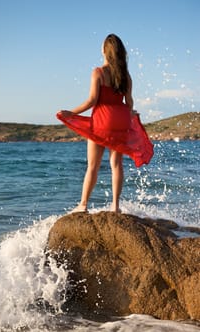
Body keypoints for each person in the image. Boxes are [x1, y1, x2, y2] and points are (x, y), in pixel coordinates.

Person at [57, 34, 154, 213]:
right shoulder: (126, 76)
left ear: (104, 51)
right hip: (121, 120)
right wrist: (129, 113)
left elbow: (92, 101)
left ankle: (83, 205)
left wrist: (72, 112)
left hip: (103, 119)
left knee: (93, 166)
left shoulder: (98, 72)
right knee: (116, 164)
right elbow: (129, 101)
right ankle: (115, 206)